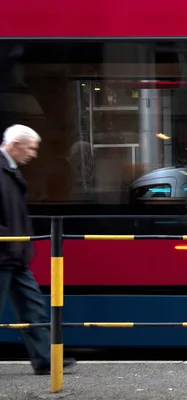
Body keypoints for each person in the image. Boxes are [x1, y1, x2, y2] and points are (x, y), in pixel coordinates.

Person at [0, 124, 77, 375]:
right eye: (31, 148)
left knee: (34, 308)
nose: (33, 154)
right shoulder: (4, 171)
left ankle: (46, 360)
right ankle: (46, 359)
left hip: (15, 255)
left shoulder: (10, 171)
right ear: (15, 146)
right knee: (31, 308)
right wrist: (11, 239)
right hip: (4, 254)